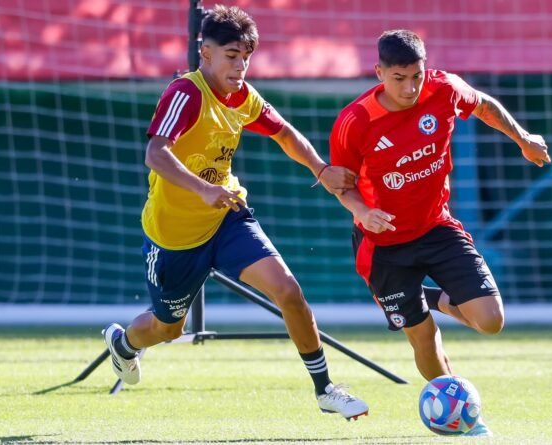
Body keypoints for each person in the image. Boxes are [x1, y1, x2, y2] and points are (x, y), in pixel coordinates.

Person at [102, 5, 368, 420]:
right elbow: (155, 153)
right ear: (204, 52)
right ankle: (123, 345)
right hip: (174, 237)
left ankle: (325, 389)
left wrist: (320, 168)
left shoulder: (243, 95)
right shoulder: (186, 93)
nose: (240, 65)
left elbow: (283, 131)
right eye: (231, 55)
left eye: (246, 56)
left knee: (289, 293)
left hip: (227, 218)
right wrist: (203, 188)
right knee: (167, 329)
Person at [329, 30, 551, 434]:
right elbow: (340, 184)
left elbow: (483, 104)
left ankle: (430, 298)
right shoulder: (355, 122)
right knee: (424, 339)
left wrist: (522, 139)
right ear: (379, 72)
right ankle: (462, 422)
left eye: (416, 75)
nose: (410, 87)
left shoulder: (444, 89)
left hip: (436, 227)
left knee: (490, 320)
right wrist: (364, 212)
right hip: (382, 245)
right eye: (399, 78)